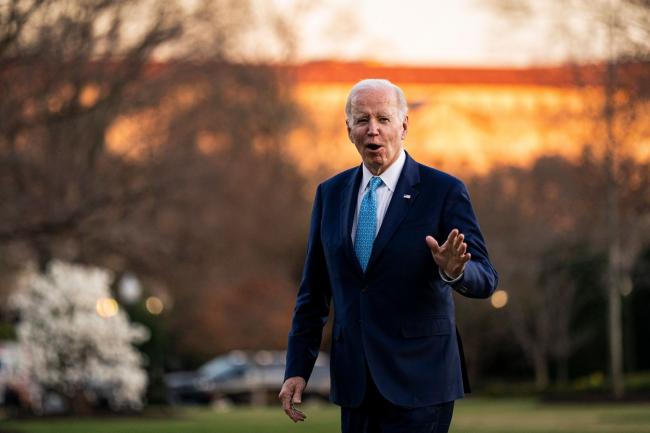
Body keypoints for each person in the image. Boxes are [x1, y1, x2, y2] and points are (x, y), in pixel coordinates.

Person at [279, 78, 498, 433]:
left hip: (421, 380)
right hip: (355, 383)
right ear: (348, 128)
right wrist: (296, 369)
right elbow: (313, 294)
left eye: (383, 119)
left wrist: (455, 272)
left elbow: (486, 277)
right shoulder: (329, 195)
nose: (373, 130)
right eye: (362, 120)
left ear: (404, 125)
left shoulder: (443, 191)